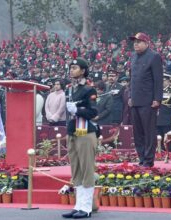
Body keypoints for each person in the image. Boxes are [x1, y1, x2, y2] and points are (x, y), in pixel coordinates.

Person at [62, 57, 98, 219]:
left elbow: (93, 112)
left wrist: (77, 110)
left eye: (75, 67)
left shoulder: (89, 90)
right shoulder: (69, 89)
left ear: (83, 71)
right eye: (70, 67)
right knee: (76, 169)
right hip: (72, 132)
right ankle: (78, 206)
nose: (71, 70)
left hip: (85, 132)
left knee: (86, 170)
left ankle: (86, 208)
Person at [128, 32, 163, 167]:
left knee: (149, 132)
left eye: (139, 42)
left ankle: (148, 160)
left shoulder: (154, 57)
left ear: (147, 43)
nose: (135, 44)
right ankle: (141, 158)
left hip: (149, 101)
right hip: (136, 100)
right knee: (138, 132)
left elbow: (158, 80)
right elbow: (132, 79)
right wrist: (130, 96)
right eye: (134, 42)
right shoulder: (133, 57)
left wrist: (157, 99)